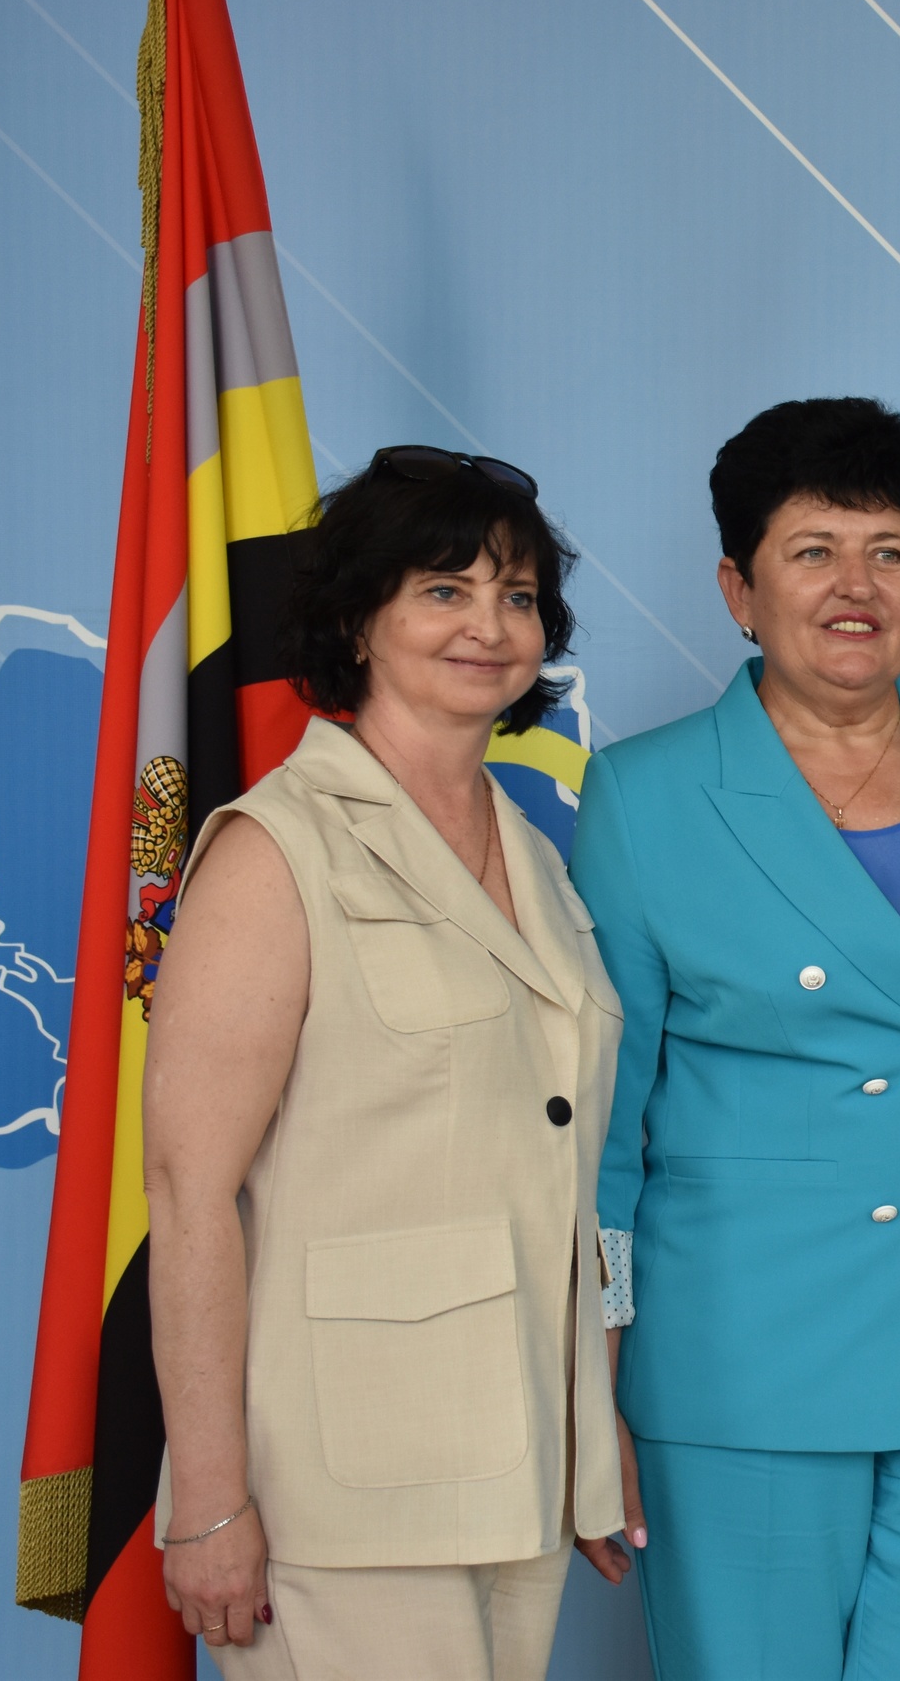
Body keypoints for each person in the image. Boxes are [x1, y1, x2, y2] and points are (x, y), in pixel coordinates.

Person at [568, 398, 900, 1680]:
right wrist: (592, 1376)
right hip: (745, 1361)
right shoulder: (645, 791)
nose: (856, 586)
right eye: (813, 552)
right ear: (739, 589)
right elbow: (606, 1126)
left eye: (888, 552)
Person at [142, 447, 626, 1676]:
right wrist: (208, 1498)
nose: (489, 626)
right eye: (444, 590)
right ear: (360, 620)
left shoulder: (537, 859)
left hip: (519, 1461)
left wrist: (589, 1425)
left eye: (518, 596)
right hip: (339, 1489)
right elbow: (190, 1192)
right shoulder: (275, 849)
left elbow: (560, 1167)